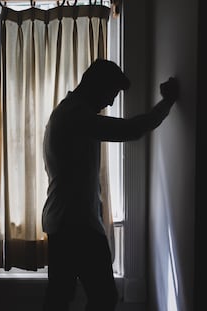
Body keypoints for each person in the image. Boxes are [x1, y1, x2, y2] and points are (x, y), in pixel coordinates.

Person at [42, 59, 179, 311]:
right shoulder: (76, 116)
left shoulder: (64, 111)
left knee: (60, 298)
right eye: (111, 94)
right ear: (97, 87)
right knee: (102, 297)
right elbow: (132, 129)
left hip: (62, 220)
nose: (111, 103)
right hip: (76, 223)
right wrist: (168, 102)